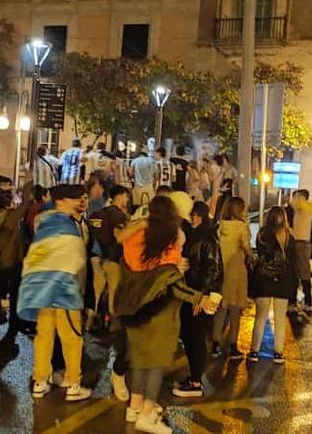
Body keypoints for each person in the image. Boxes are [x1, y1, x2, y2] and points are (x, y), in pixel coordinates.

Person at [115, 195, 218, 434]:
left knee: (140, 361)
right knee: (156, 364)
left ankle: (135, 407)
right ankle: (147, 415)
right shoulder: (171, 240)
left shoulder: (133, 236)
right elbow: (171, 282)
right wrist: (200, 298)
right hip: (159, 310)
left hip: (132, 307)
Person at [18, 184, 92, 402]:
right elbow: (76, 256)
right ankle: (73, 383)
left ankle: (40, 381)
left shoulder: (45, 222)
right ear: (61, 201)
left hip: (41, 289)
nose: (79, 203)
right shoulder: (64, 224)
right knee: (72, 338)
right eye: (75, 199)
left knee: (44, 337)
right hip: (63, 290)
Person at [173, 200, 223, 398]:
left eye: (197, 215)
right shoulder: (192, 236)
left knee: (196, 337)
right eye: (192, 215)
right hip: (190, 293)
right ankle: (193, 375)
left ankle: (195, 382)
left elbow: (213, 270)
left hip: (200, 295)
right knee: (188, 335)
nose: (194, 219)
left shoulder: (208, 239)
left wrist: (202, 297)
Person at [91, 185, 131, 400]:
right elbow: (119, 237)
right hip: (114, 260)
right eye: (126, 195)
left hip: (100, 258)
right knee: (115, 292)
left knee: (98, 292)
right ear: (119, 196)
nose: (127, 198)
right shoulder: (117, 214)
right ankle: (113, 323)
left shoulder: (100, 213)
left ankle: (94, 320)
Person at [247, 206, 298, 364]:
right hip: (283, 280)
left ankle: (254, 351)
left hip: (263, 279)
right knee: (280, 319)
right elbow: (293, 261)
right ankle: (278, 353)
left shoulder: (262, 234)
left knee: (260, 317)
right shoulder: (288, 236)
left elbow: (261, 255)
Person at [0, 182, 33, 343]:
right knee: (14, 298)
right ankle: (12, 329)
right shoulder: (10, 217)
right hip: (12, 263)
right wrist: (29, 184)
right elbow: (25, 204)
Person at [212, 196, 251, 359]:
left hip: (220, 270)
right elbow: (247, 248)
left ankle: (215, 342)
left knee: (220, 307)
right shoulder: (241, 227)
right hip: (236, 269)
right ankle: (233, 345)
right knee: (235, 309)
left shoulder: (218, 226)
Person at [291, 190, 312, 313]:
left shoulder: (307, 209)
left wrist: (301, 198)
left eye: (297, 197)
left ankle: (308, 302)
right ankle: (295, 301)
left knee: (303, 273)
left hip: (302, 243)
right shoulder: (299, 209)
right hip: (297, 242)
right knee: (295, 273)